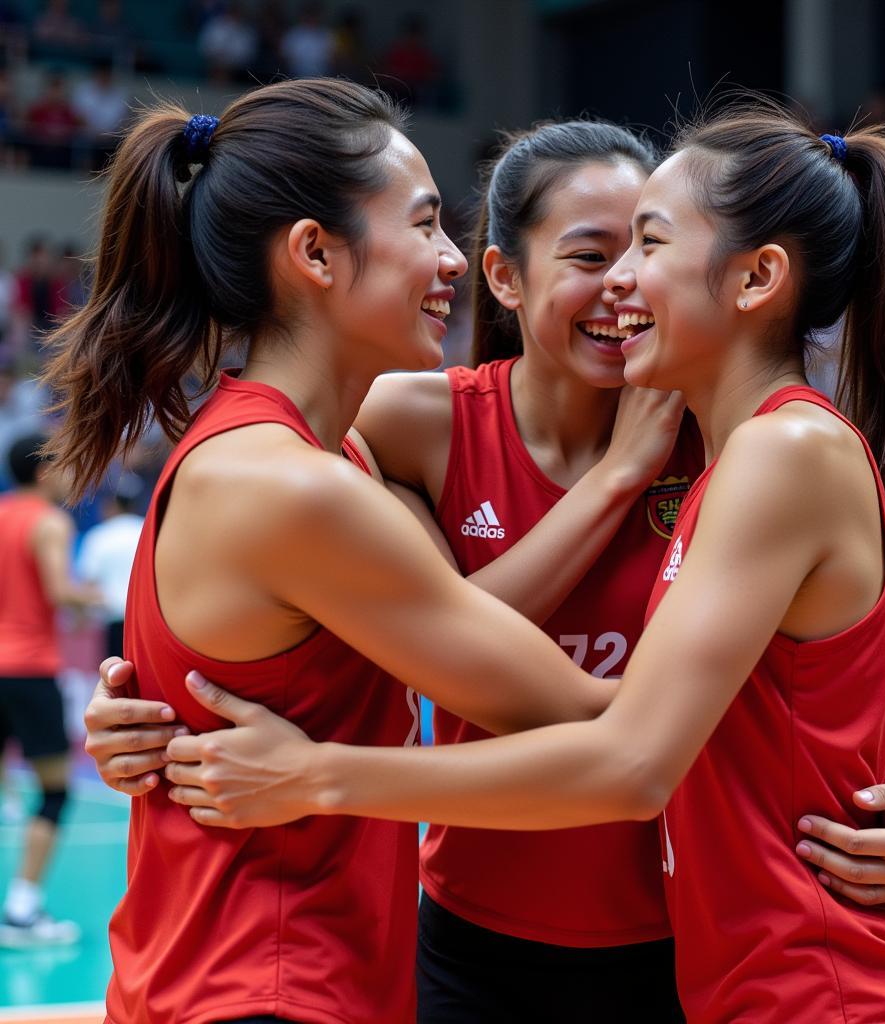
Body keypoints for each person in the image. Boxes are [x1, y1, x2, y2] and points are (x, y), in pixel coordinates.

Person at [87, 119, 885, 1021]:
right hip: (467, 933)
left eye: (646, 244)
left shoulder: (738, 435)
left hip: (681, 941)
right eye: (593, 253)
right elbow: (426, 632)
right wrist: (159, 701)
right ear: (510, 274)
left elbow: (845, 640)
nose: (621, 281)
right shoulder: (387, 431)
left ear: (747, 278)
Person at [42, 78, 630, 1024]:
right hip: (270, 984)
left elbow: (461, 622)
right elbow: (589, 720)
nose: (451, 262)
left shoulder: (306, 454)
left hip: (246, 975)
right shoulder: (294, 487)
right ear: (314, 252)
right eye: (427, 225)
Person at [0, 432, 100, 947]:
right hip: (28, 671)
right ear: (43, 472)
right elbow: (61, 591)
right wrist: (100, 594)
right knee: (54, 792)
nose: (69, 475)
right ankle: (21, 911)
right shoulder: (50, 522)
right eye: (63, 465)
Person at [77, 472, 144, 659]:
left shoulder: (98, 536)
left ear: (111, 505)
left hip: (113, 622)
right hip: (145, 621)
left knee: (115, 678)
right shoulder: (147, 530)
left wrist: (80, 618)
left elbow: (89, 584)